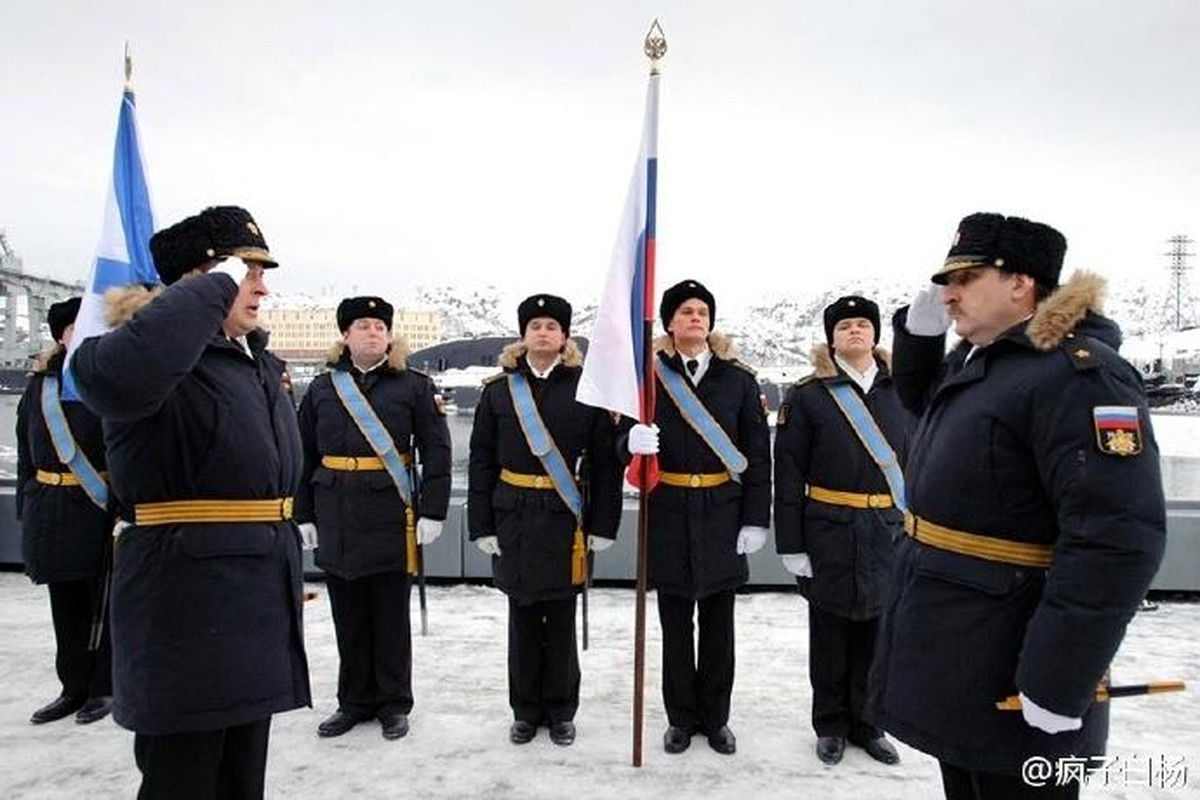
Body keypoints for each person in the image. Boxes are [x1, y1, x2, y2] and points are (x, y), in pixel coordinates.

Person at [868, 212, 1167, 799]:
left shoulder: (1080, 377)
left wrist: (1058, 679)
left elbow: (1116, 541)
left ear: (1021, 283)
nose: (948, 295)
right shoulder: (987, 360)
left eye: (966, 278)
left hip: (1018, 652)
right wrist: (919, 335)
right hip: (965, 649)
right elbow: (926, 398)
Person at [72, 206, 311, 799]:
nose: (259, 285)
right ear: (200, 282)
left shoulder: (252, 363)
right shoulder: (144, 358)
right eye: (243, 271)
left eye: (258, 271)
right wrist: (210, 285)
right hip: (185, 603)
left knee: (238, 779)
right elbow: (115, 380)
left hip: (254, 597)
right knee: (184, 777)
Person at [624, 279, 771, 756]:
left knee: (718, 625)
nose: (695, 318)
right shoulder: (647, 379)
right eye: (685, 311)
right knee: (674, 624)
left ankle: (716, 718)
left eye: (702, 311)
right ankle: (680, 719)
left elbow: (758, 456)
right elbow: (616, 439)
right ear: (669, 322)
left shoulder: (739, 380)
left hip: (722, 513)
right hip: (667, 511)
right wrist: (629, 442)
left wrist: (755, 519)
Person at [468, 293, 622, 747]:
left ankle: (561, 710)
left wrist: (603, 524)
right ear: (523, 335)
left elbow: (606, 463)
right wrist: (482, 525)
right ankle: (524, 710)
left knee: (560, 618)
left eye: (552, 326)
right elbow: (480, 462)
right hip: (512, 515)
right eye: (535, 325)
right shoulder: (499, 390)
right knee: (521, 617)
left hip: (565, 520)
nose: (543, 332)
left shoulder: (587, 388)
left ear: (564, 337)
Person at [295, 295, 451, 741]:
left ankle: (393, 703)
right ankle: (354, 702)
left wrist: (434, 511)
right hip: (336, 515)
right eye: (362, 325)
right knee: (348, 617)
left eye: (379, 326)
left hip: (389, 515)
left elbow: (437, 452)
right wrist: (303, 513)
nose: (372, 332)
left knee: (389, 616)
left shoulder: (414, 386)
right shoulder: (323, 389)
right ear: (345, 336)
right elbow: (303, 456)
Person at [773, 295, 910, 767]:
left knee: (878, 633)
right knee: (829, 635)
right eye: (845, 325)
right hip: (827, 528)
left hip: (888, 528)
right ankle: (829, 724)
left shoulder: (903, 391)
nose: (855, 331)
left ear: (875, 334)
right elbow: (787, 473)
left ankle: (869, 725)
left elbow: (923, 463)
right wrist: (791, 544)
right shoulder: (809, 396)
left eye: (862, 324)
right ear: (831, 338)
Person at [16, 296, 115, 726]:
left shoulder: (107, 384)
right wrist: (28, 506)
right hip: (54, 511)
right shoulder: (41, 387)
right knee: (66, 607)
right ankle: (72, 687)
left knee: (104, 605)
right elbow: (26, 452)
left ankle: (103, 687)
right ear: (62, 335)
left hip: (99, 509)